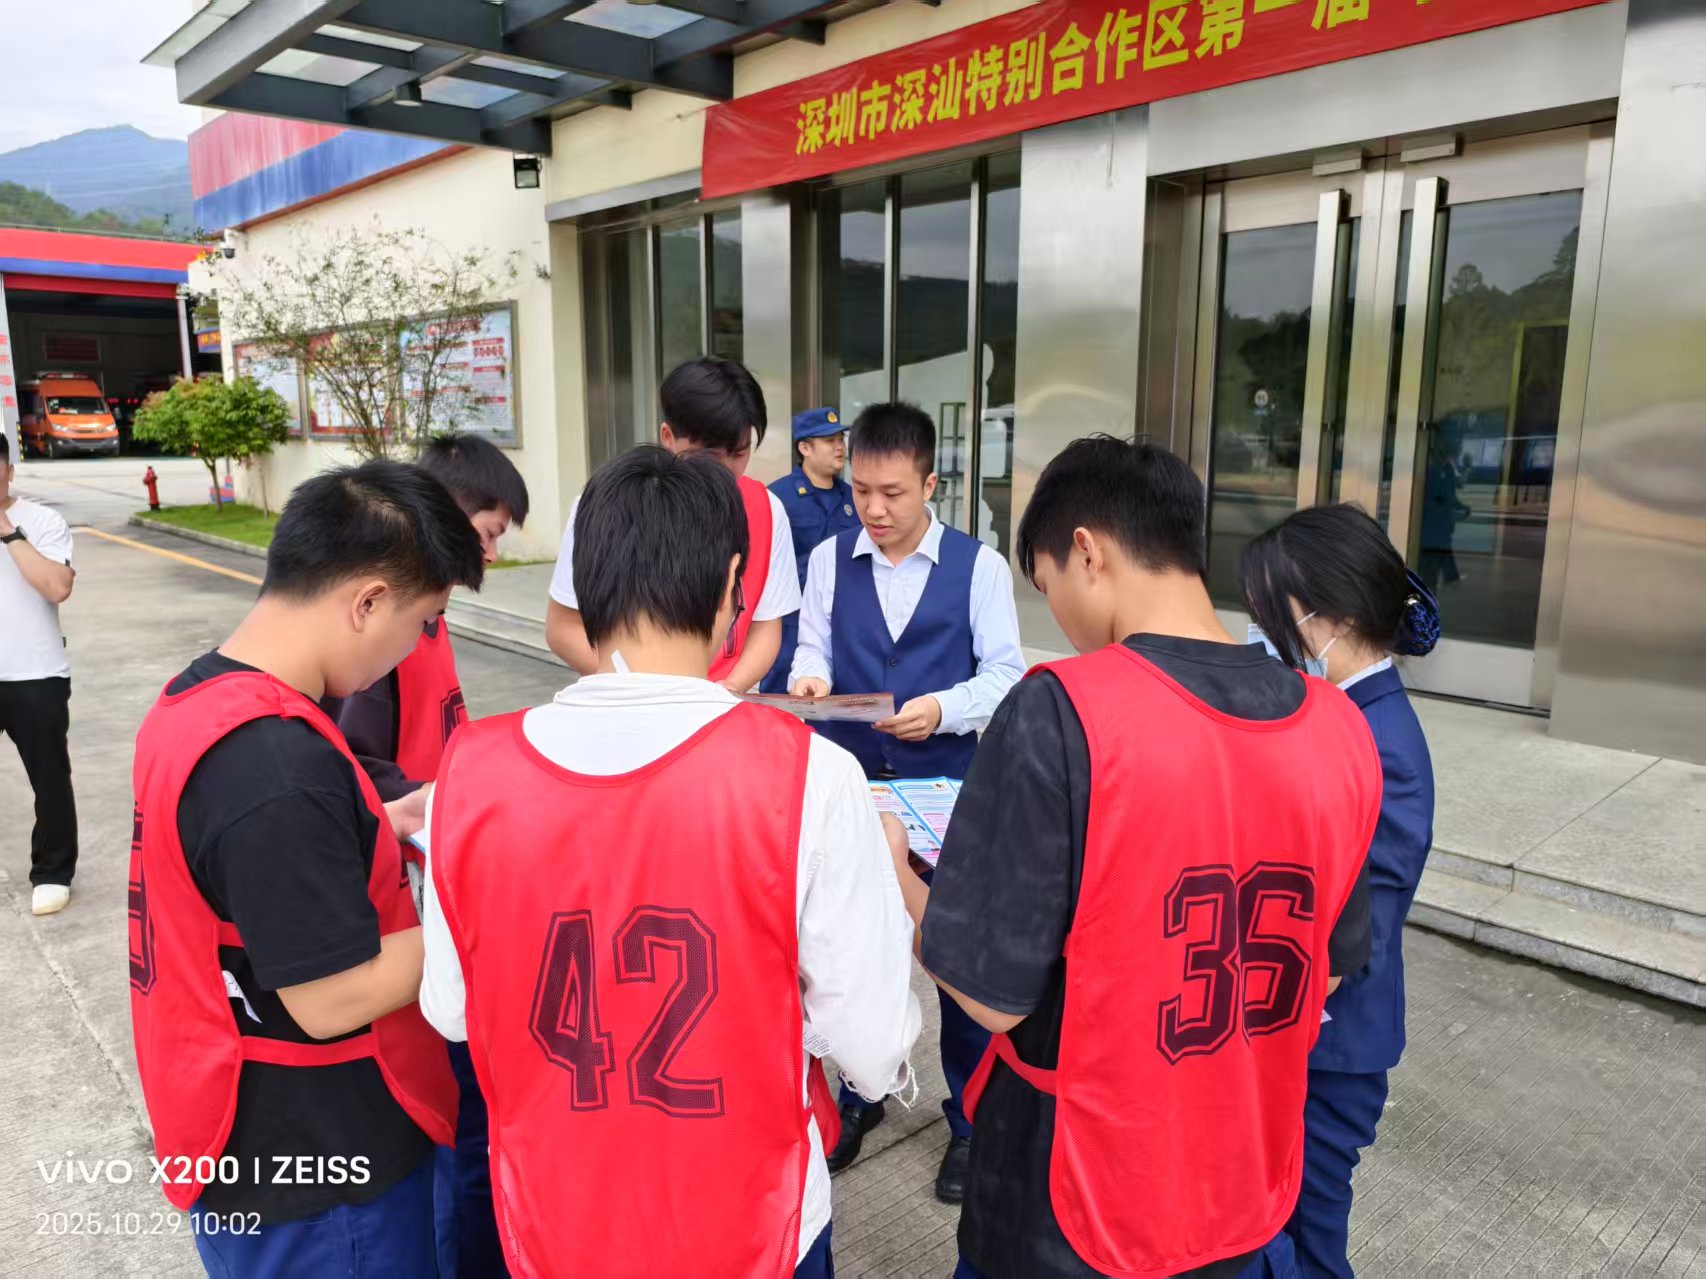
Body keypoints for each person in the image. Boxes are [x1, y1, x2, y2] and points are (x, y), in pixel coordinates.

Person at [419, 445, 921, 1279]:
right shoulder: (809, 774)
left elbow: (453, 1013)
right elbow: (872, 1050)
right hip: (755, 1221)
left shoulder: (467, 775)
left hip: (554, 1221)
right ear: (732, 585)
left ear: (584, 583)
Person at [896, 435, 1380, 1279]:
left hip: (1073, 1197)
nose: (1058, 617)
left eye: (1048, 585)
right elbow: (1328, 970)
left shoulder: (1064, 709)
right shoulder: (1339, 725)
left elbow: (990, 995)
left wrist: (898, 874)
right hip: (1241, 1185)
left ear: (1088, 550)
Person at [128, 461, 483, 1278]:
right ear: (368, 601)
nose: (414, 647)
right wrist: (486, 912)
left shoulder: (202, 698)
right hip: (323, 1176)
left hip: (254, 1139)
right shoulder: (275, 766)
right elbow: (331, 997)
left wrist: (378, 819)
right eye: (423, 621)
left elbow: (252, 873)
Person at [788, 401, 1024, 1201]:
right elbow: (813, 645)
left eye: (892, 492)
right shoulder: (830, 559)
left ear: (930, 484)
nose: (875, 509)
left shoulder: (979, 567)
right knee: (852, 943)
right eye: (860, 491)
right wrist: (810, 679)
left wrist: (945, 707)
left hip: (948, 790)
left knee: (952, 950)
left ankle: (970, 1119)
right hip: (853, 784)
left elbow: (1006, 673)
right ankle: (861, 1091)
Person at [327, 432, 529, 1279]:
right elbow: (353, 767)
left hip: (443, 864)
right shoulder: (385, 638)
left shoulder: (429, 623)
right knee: (458, 1119)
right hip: (412, 890)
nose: (492, 551)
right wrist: (435, 800)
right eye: (487, 531)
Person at [1239, 504, 1440, 1279]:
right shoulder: (1342, 712)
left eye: (1274, 614)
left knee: (1304, 1240)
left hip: (1330, 1046)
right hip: (1305, 1036)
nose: (1264, 632)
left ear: (1338, 616)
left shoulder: (1384, 743)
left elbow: (1359, 931)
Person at [546, 357, 800, 691]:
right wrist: (642, 687)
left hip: (720, 702)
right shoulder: (604, 506)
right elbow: (563, 628)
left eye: (739, 452)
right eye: (710, 455)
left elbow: (767, 626)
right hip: (628, 700)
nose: (726, 470)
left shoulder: (767, 511)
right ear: (668, 436)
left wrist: (724, 690)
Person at [0, 432, 78, 916]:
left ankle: (52, 871)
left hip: (35, 673)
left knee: (49, 780)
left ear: (9, 471)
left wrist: (8, 531)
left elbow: (56, 587)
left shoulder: (44, 521)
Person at [760, 406, 860, 694]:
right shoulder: (777, 497)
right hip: (789, 621)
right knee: (781, 698)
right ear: (804, 448)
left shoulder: (854, 498)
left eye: (840, 439)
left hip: (842, 619)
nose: (839, 447)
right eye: (829, 441)